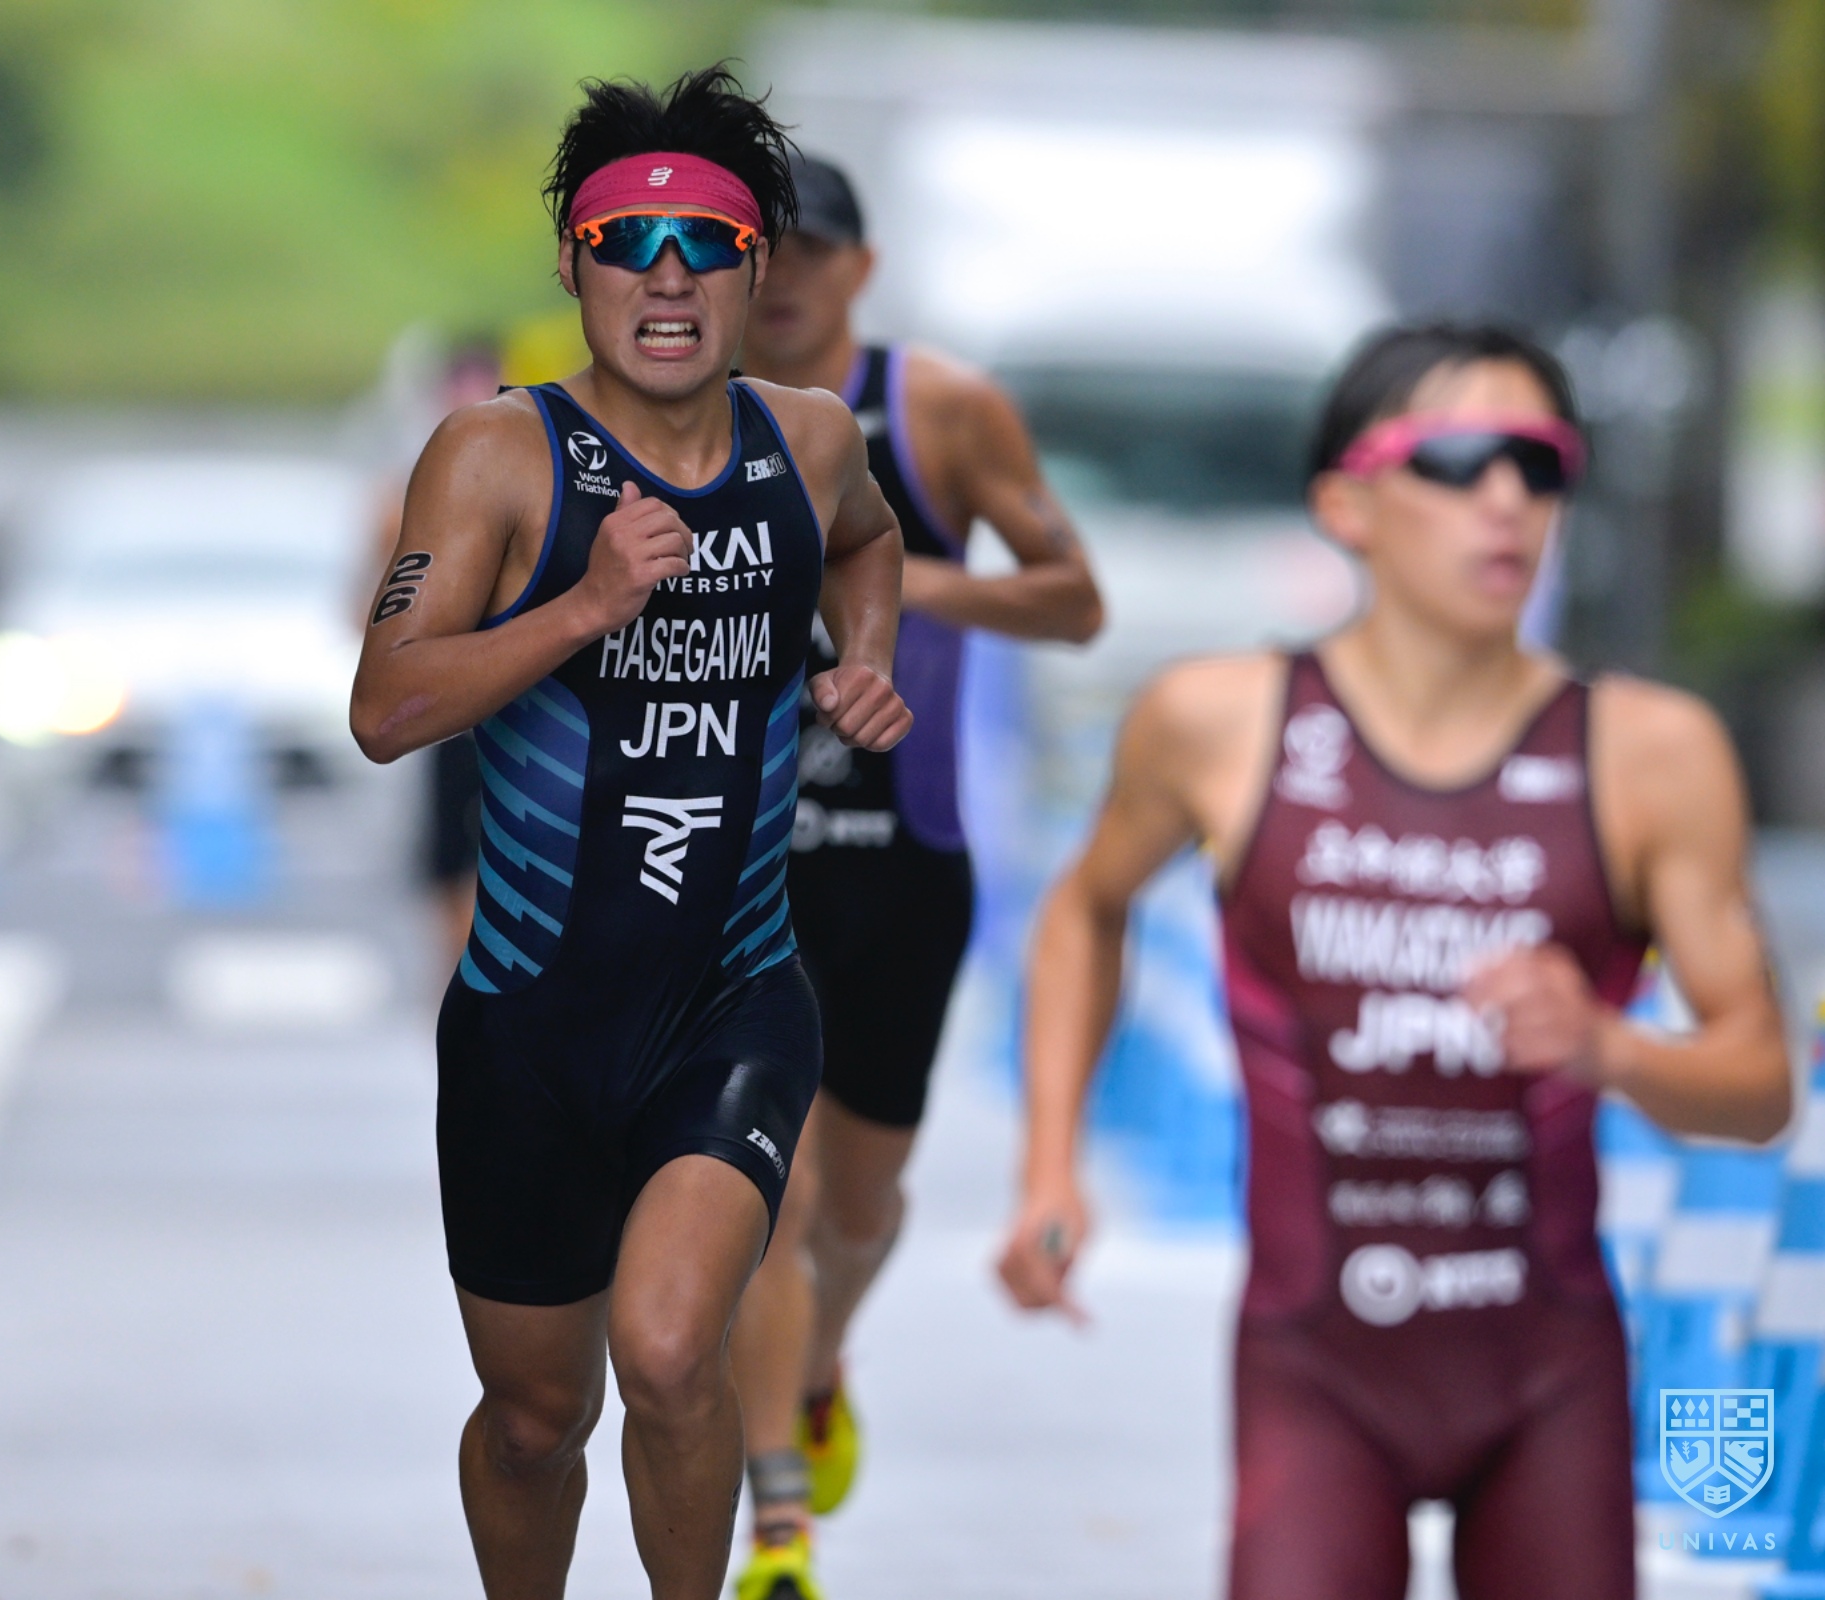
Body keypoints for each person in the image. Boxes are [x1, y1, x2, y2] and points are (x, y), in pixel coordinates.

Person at [995, 320, 1792, 1600]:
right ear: (1345, 504)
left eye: (1540, 464)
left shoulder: (1650, 753)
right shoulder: (1219, 721)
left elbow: (1760, 1087)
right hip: (1316, 1369)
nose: (1505, 499)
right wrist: (1050, 1163)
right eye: (1460, 459)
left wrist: (1608, 1046)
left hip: (1546, 1374)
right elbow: (1084, 910)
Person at [348, 67, 912, 1600]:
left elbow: (868, 541)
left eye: (706, 242)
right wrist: (587, 603)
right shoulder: (495, 458)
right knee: (539, 1418)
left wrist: (861, 660)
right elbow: (387, 707)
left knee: (668, 1353)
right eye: (627, 242)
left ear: (755, 268)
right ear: (571, 263)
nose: (667, 276)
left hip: (730, 1004)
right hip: (529, 1025)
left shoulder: (808, 442)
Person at [722, 153, 1102, 1598]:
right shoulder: (680, 408)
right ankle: (779, 1532)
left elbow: (1075, 599)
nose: (787, 277)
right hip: (738, 874)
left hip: (903, 863)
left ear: (862, 269)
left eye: (814, 250)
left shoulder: (938, 410)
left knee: (858, 1207)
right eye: (764, 249)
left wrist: (893, 580)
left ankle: (817, 1368)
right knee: (771, 1197)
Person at [364, 338, 507, 968]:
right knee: (452, 884)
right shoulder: (407, 496)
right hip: (450, 724)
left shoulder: (539, 477)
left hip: (516, 710)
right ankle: (458, 1008)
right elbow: (366, 618)